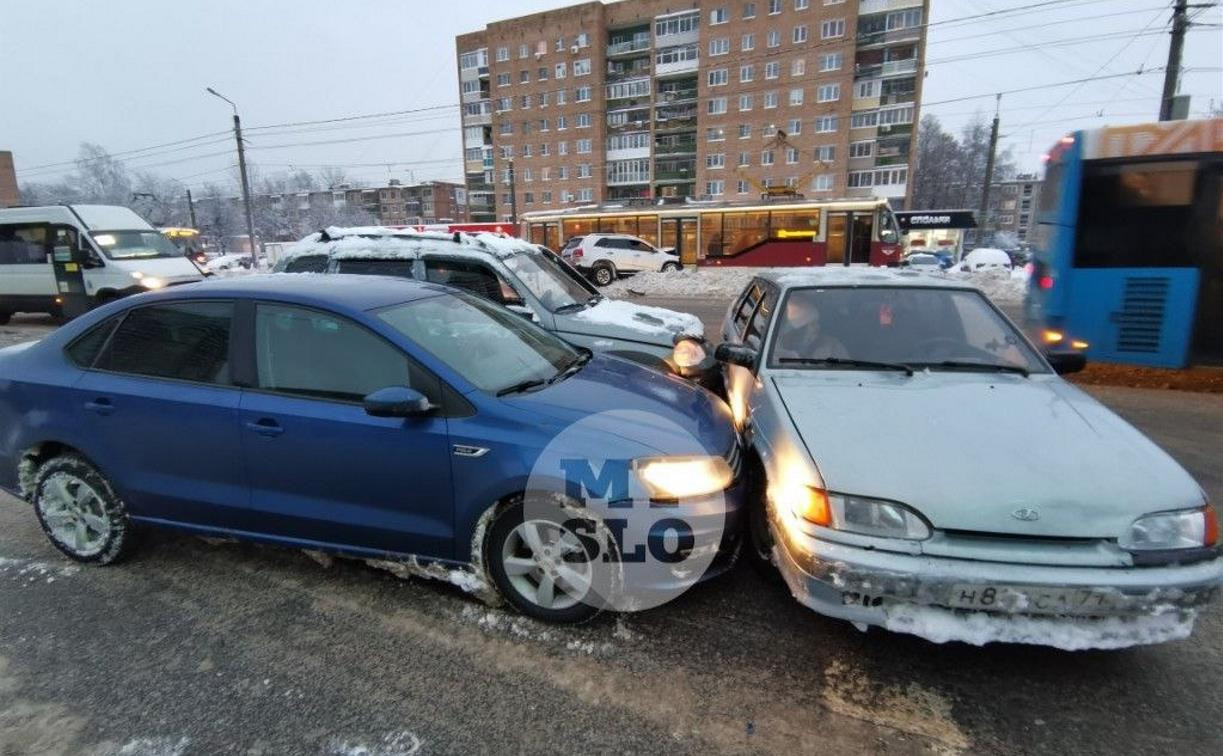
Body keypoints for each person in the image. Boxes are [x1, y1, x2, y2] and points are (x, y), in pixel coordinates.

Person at [774, 295, 848, 360]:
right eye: (812, 324)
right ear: (798, 328)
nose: (817, 327)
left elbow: (846, 370)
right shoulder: (772, 350)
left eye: (817, 322)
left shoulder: (831, 346)